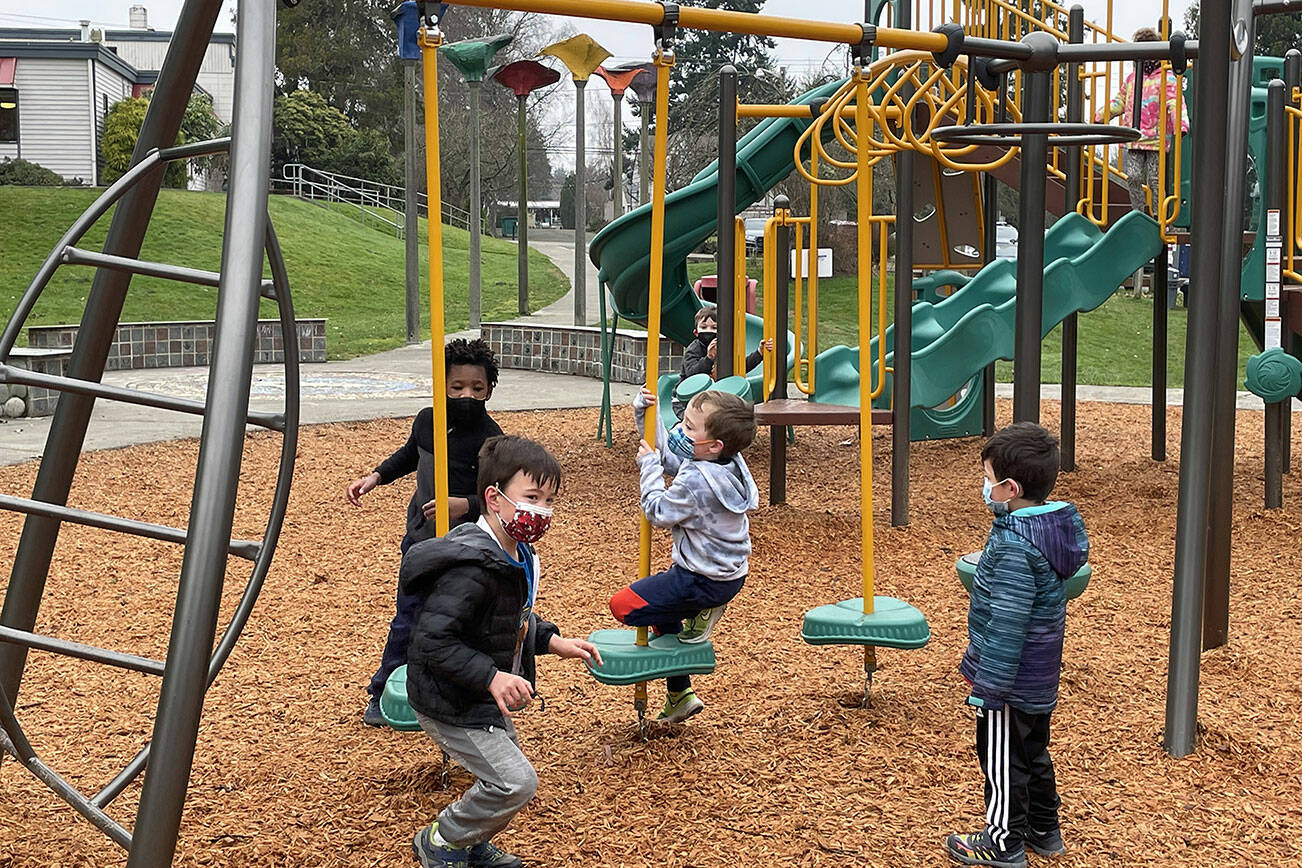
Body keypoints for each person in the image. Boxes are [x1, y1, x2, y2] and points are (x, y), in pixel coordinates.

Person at [405, 435, 602, 868]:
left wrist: (552, 640)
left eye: (550, 500)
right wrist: (492, 676)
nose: (542, 511)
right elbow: (432, 642)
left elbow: (510, 617)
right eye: (532, 497)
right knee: (515, 783)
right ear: (494, 498)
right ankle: (442, 838)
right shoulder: (472, 570)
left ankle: (469, 844)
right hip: (450, 698)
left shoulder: (516, 552)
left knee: (503, 778)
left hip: (478, 694)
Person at [944, 422, 1090, 868]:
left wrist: (991, 687)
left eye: (988, 480)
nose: (984, 488)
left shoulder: (1013, 546)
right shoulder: (1048, 528)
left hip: (1011, 678)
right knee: (1032, 749)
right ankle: (1045, 828)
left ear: (1009, 488)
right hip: (1038, 672)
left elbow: (1008, 622)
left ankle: (1002, 841)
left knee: (1003, 757)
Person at [346, 338, 503, 727]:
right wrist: (376, 477)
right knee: (408, 617)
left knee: (458, 622)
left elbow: (499, 496)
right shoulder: (426, 420)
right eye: (457, 387)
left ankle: (458, 695)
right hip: (421, 538)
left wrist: (463, 504)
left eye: (477, 389)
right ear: (442, 386)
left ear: (489, 391)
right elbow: (410, 454)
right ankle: (382, 692)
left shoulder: (490, 437)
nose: (468, 395)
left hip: (465, 546)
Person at [608, 387, 759, 723]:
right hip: (729, 574)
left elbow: (657, 511)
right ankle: (680, 694)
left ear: (714, 445)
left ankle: (703, 613)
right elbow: (674, 458)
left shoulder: (697, 482)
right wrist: (646, 415)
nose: (680, 430)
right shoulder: (728, 463)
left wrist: (647, 469)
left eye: (690, 428)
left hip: (701, 582)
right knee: (664, 613)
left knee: (624, 607)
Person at [1095, 26, 1188, 296]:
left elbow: (1174, 102)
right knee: (1133, 176)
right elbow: (1120, 102)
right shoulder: (1132, 78)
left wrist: (1180, 123)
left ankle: (1162, 219)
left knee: (1157, 180)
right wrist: (1103, 115)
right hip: (1134, 136)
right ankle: (1138, 214)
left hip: (1157, 140)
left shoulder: (1167, 77)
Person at [674, 304, 773, 418]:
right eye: (704, 327)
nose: (709, 331)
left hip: (709, 398)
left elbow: (740, 367)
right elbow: (691, 373)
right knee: (693, 421)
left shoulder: (725, 348)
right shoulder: (694, 349)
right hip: (685, 399)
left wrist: (759, 353)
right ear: (696, 332)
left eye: (714, 328)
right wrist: (709, 358)